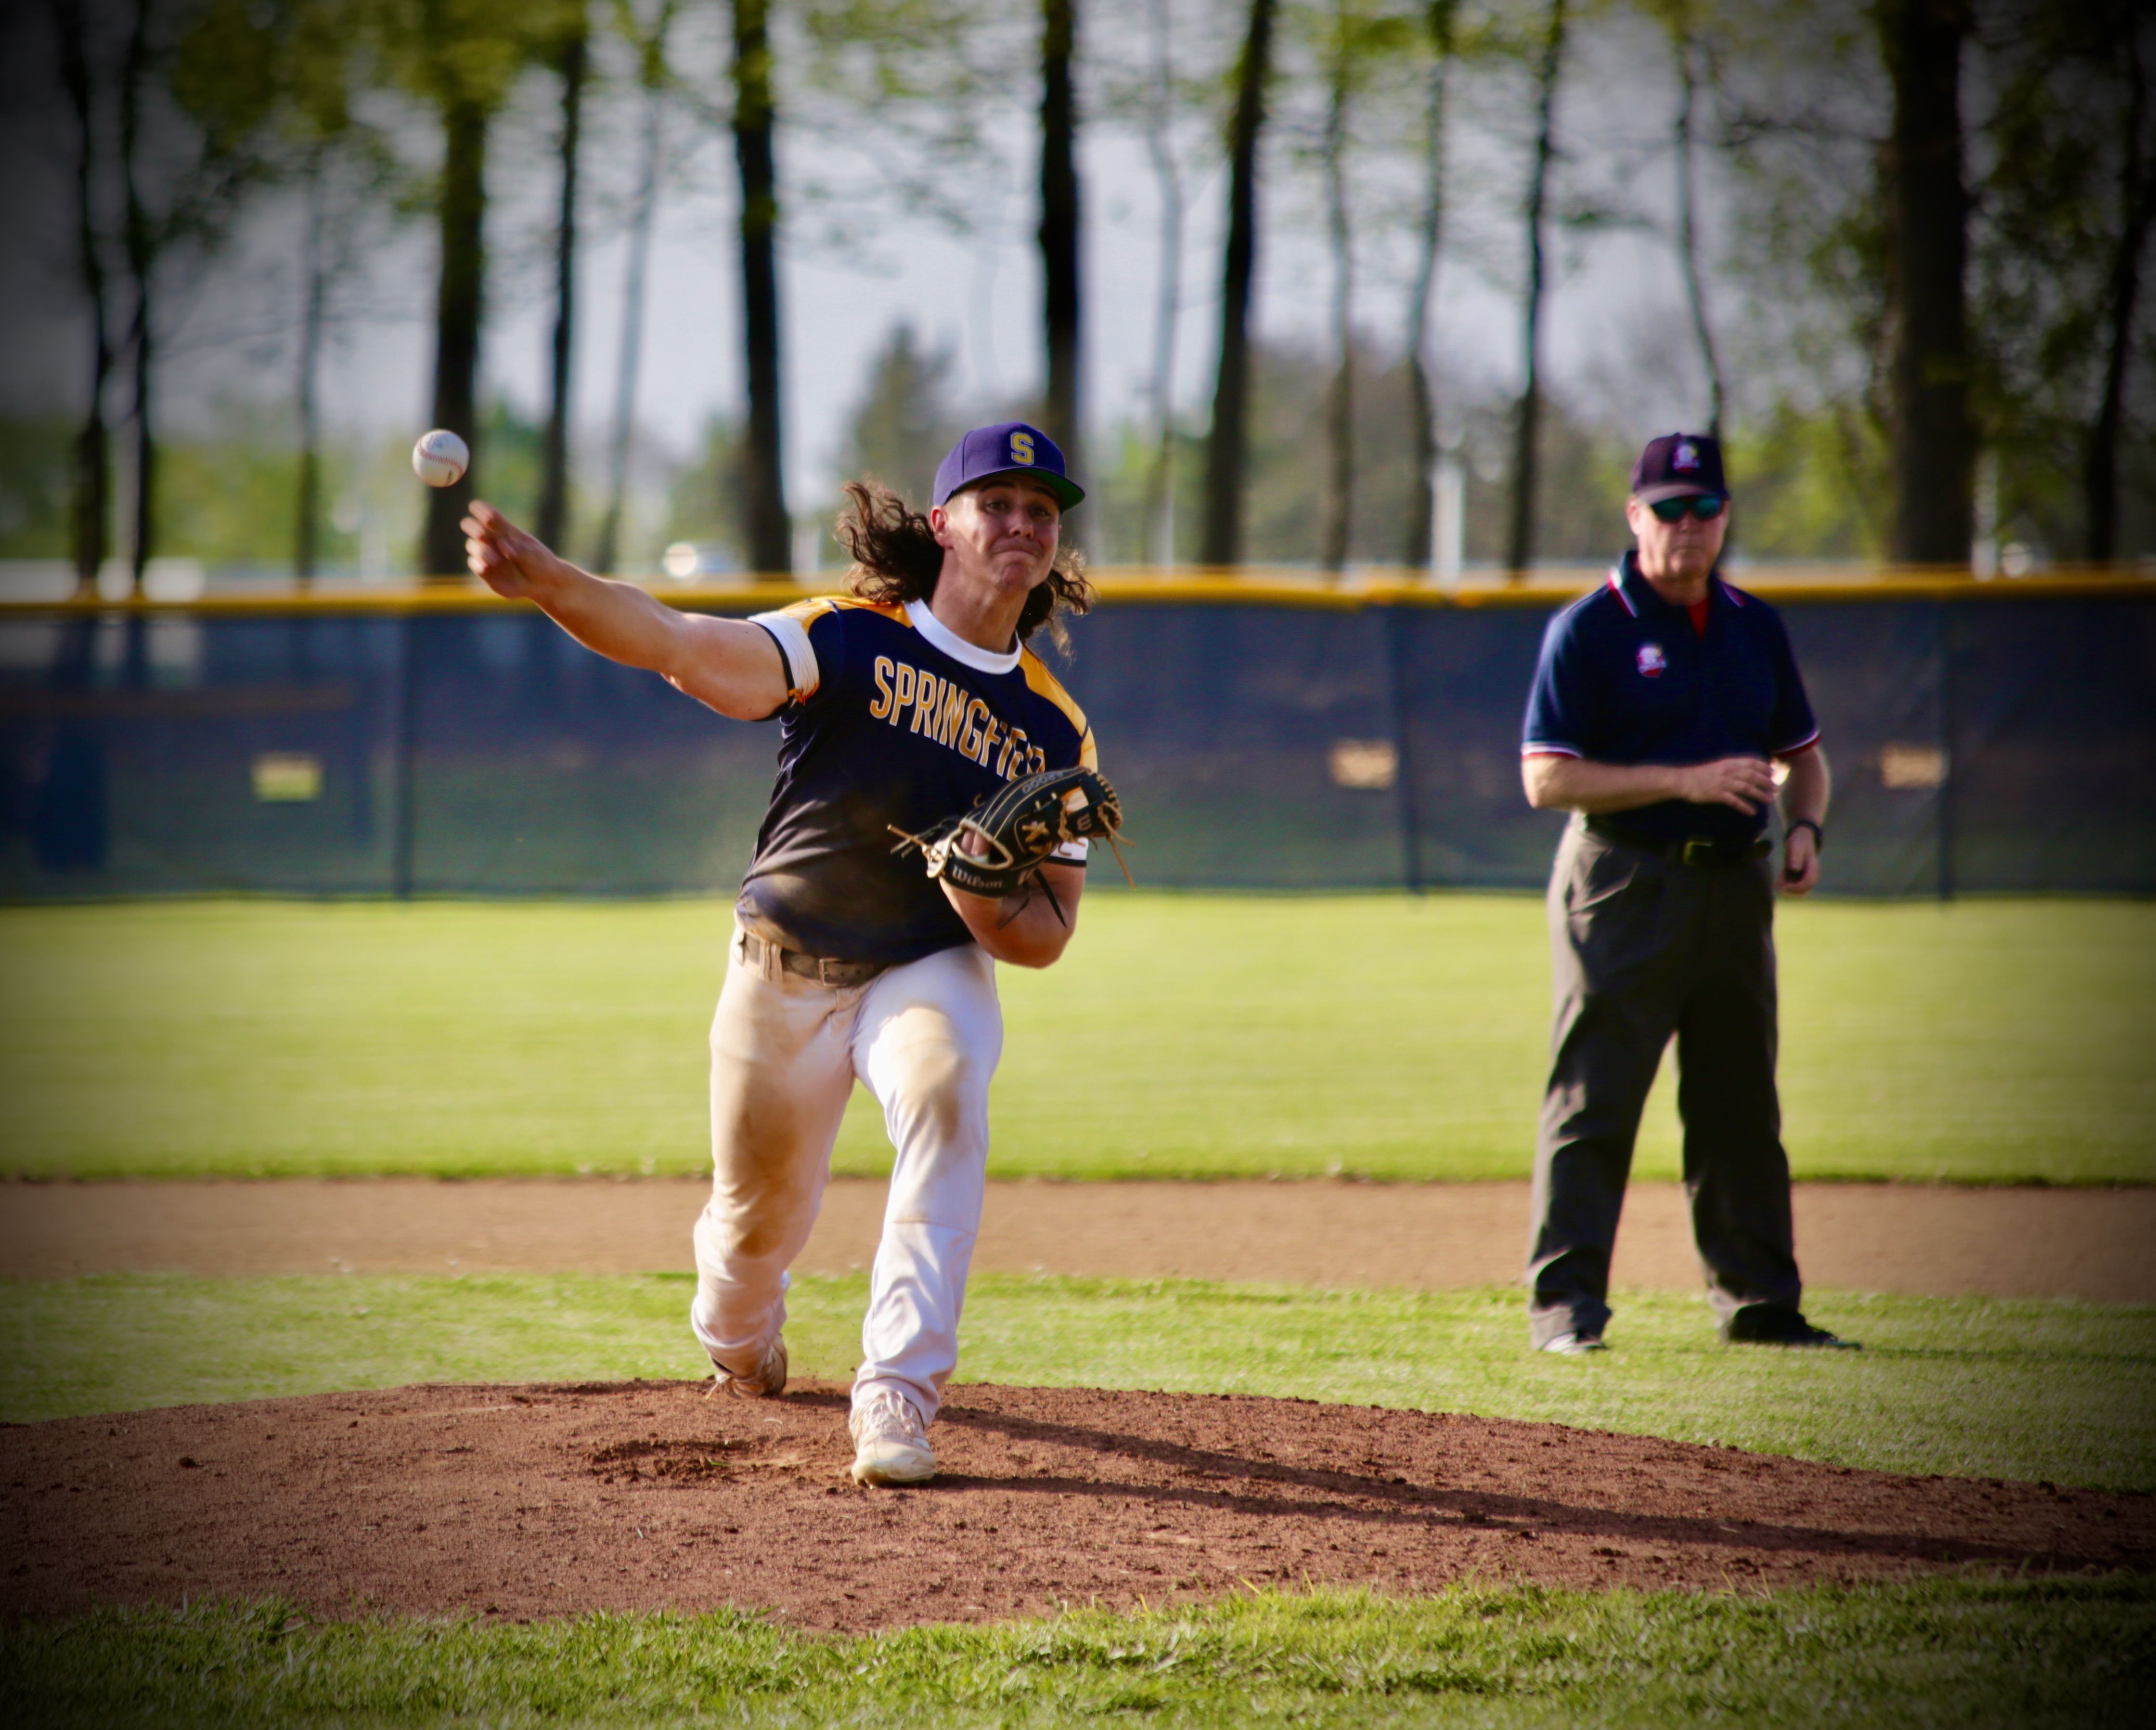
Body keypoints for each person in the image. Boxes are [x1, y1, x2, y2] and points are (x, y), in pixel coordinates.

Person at [460, 421, 1102, 1483]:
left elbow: (1048, 932)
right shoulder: (849, 636)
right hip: (782, 963)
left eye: (1040, 510)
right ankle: (739, 1340)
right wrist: (547, 583)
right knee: (750, 1237)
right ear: (942, 525)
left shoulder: (1052, 727)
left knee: (945, 1095)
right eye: (998, 503)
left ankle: (894, 1395)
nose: (1022, 524)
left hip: (923, 964)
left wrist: (980, 900)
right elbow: (681, 646)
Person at [1517, 431, 1855, 1354]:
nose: (1689, 526)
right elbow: (1546, 779)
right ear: (1636, 517)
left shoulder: (1754, 624)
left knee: (1741, 1099)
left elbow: (1805, 759)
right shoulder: (1591, 626)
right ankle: (1566, 1309)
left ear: (1725, 519)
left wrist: (1807, 830)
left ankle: (1759, 1303)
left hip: (1736, 885)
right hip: (1622, 879)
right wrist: (1687, 779)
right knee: (1595, 1099)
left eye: (1705, 508)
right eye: (1669, 508)